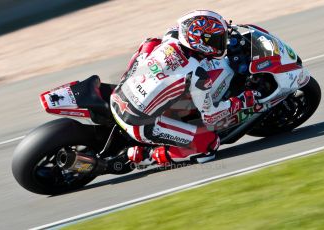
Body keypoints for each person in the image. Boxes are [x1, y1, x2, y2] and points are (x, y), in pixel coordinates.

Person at [110, 10, 259, 166]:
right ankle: (147, 156)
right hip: (139, 124)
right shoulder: (198, 74)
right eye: (217, 40)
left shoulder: (172, 36)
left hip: (118, 95)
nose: (221, 43)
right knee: (208, 144)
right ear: (200, 42)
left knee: (152, 43)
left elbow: (149, 43)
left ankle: (129, 82)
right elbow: (211, 116)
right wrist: (240, 102)